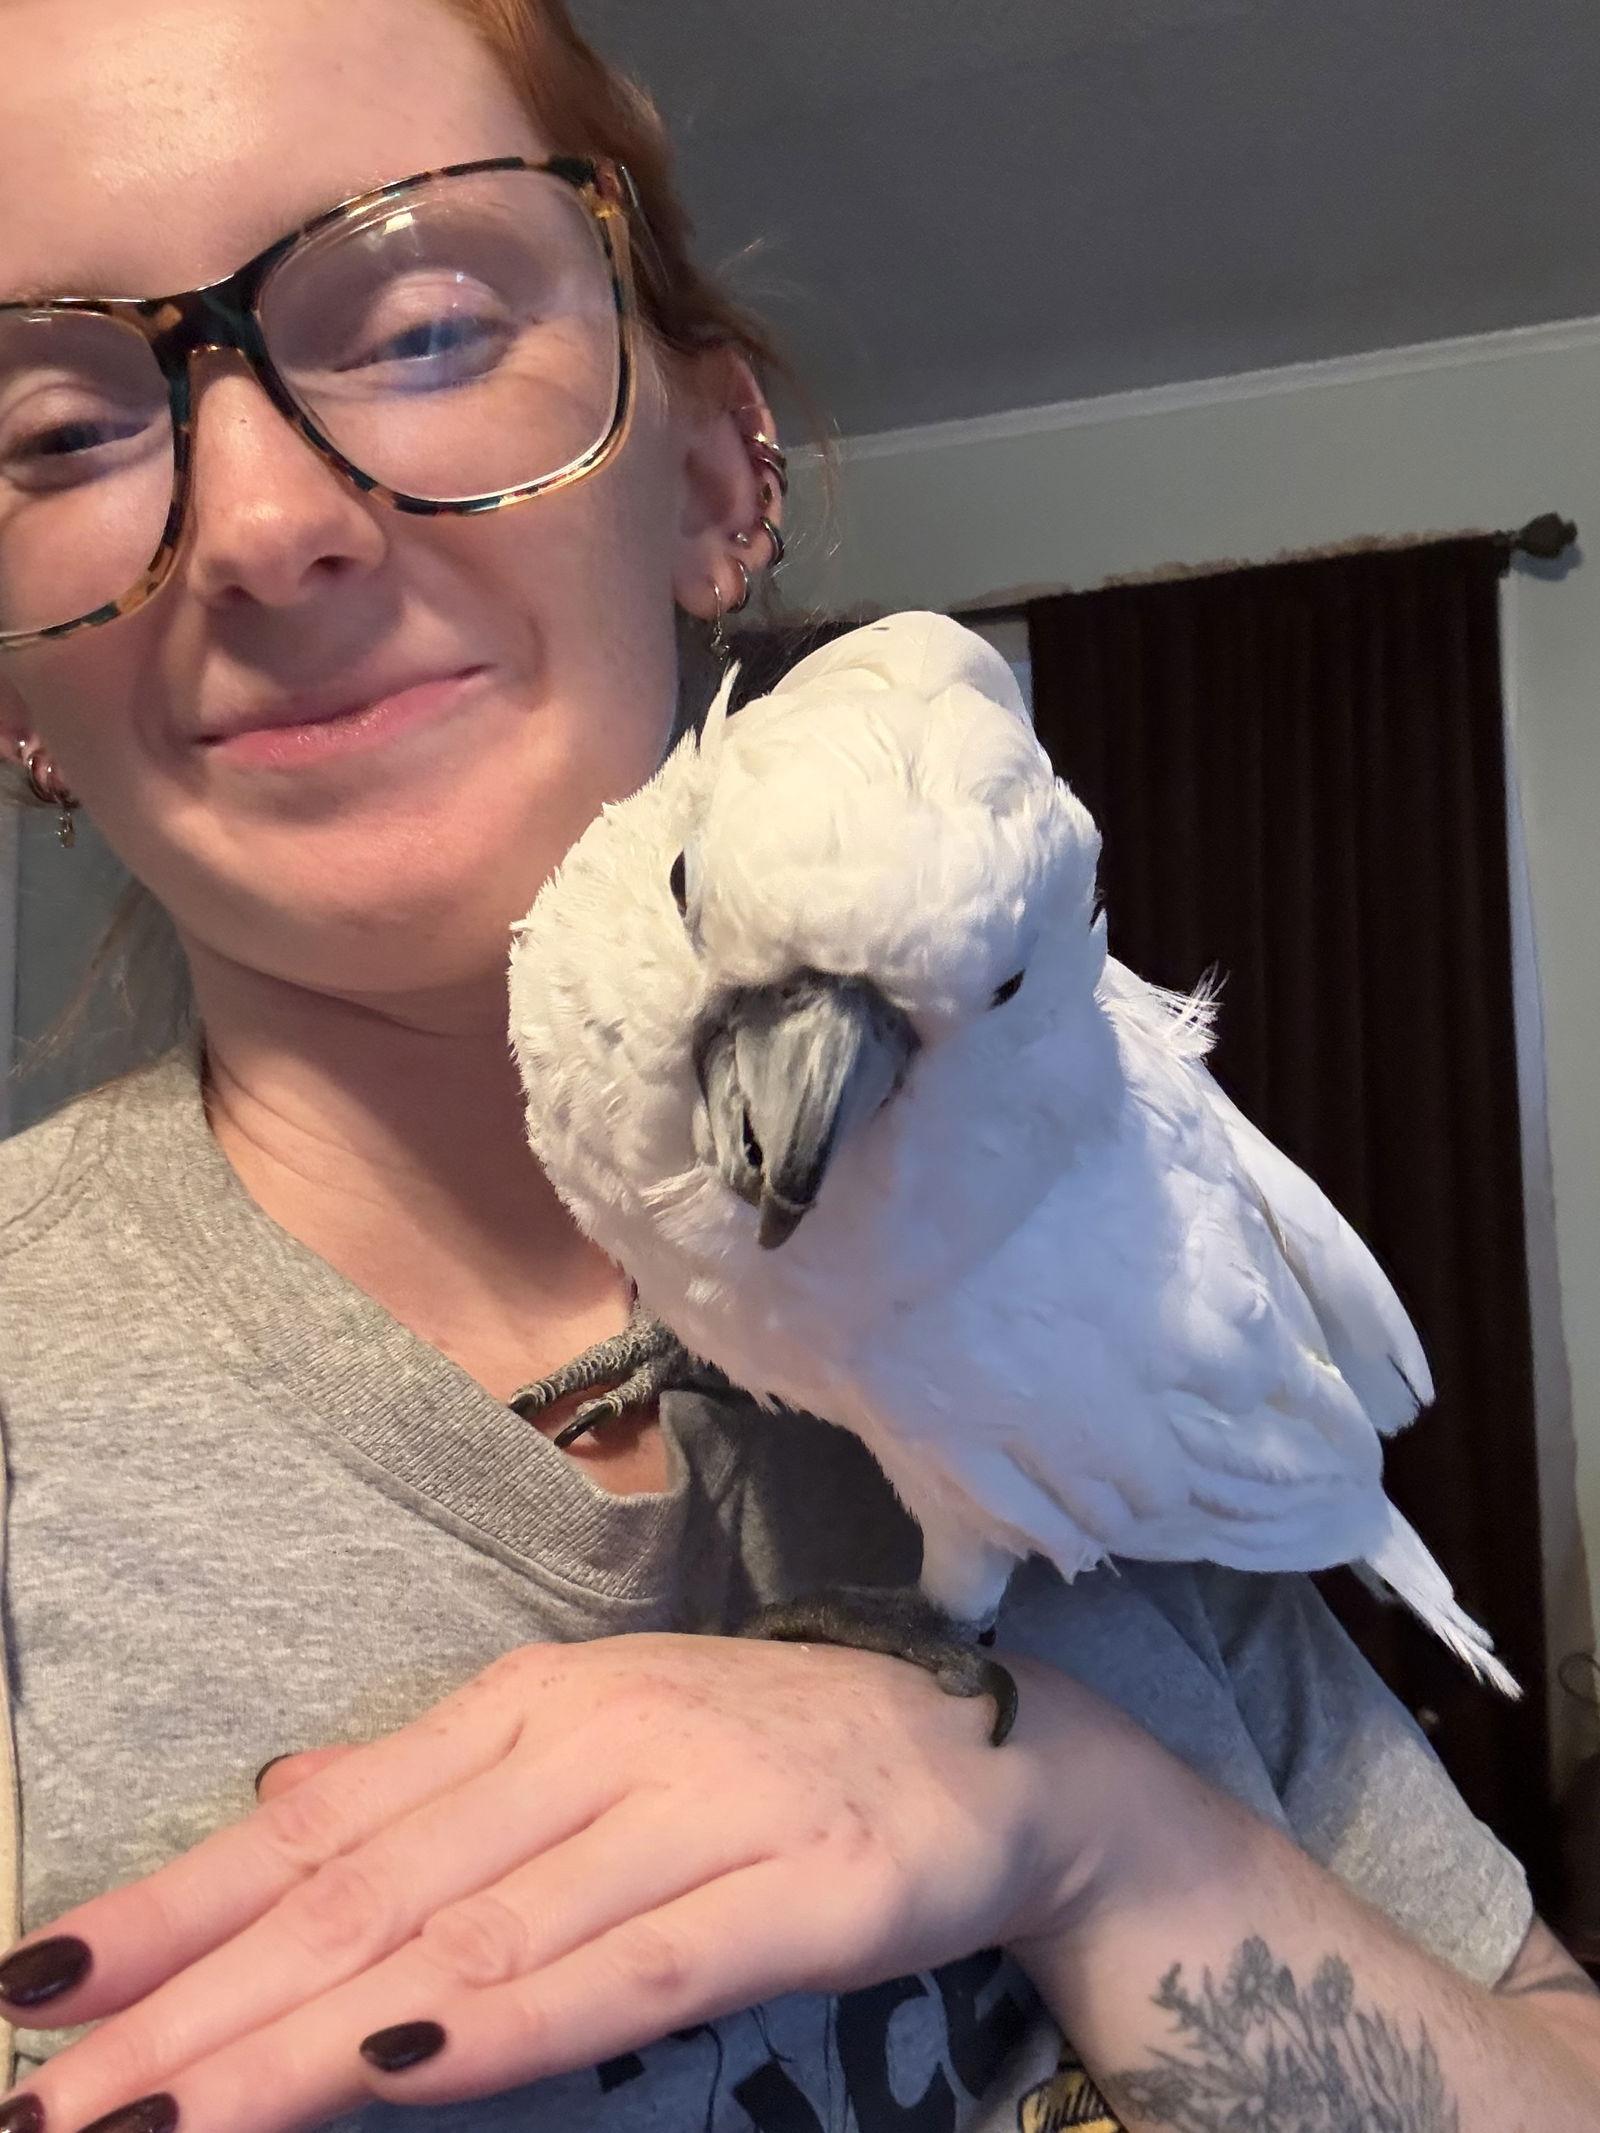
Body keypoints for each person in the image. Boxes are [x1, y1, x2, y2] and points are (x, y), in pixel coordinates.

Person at [0, 3, 1596, 2131]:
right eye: (57, 432)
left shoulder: (1092, 1247)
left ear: (713, 476)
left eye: (426, 325)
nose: (265, 521)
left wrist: (1088, 1830)